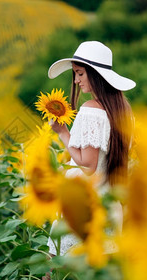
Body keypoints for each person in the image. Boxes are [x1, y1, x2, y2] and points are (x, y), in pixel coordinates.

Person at [46, 41, 135, 256]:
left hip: (84, 207)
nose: (76, 80)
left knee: (56, 277)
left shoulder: (90, 110)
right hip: (108, 206)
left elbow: (88, 165)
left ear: (95, 74)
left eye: (80, 74)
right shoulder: (123, 111)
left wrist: (62, 132)